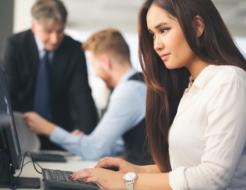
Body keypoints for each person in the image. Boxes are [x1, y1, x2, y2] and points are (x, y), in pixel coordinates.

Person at [69, 0, 246, 189]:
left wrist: (126, 182)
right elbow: (187, 167)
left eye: (164, 30)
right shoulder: (192, 87)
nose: (156, 45)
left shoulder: (228, 80)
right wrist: (138, 171)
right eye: (153, 34)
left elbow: (213, 177)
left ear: (197, 26)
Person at [24, 28, 153, 165]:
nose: (96, 74)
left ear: (105, 62)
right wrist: (79, 142)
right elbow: (118, 146)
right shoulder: (139, 84)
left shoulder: (129, 91)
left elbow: (93, 150)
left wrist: (46, 128)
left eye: (94, 65)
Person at [2, 0, 98, 150]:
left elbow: (82, 96)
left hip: (59, 133)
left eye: (60, 31)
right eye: (48, 32)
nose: (54, 39)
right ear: (34, 26)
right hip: (22, 132)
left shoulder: (74, 50)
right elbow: (7, 93)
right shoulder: (15, 45)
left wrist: (89, 138)